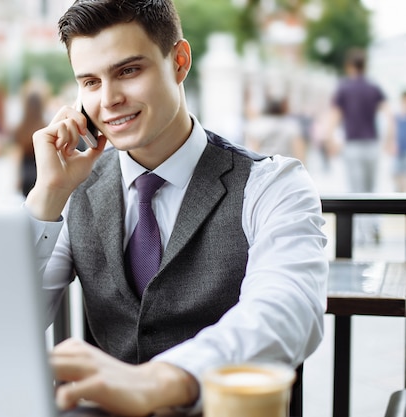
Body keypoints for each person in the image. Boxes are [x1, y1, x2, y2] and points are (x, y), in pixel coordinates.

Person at [24, 0, 328, 415]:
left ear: (180, 62)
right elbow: (4, 320)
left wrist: (159, 381)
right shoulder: (76, 190)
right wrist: (48, 196)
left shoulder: (272, 184)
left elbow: (287, 309)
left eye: (128, 71)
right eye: (90, 82)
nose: (109, 99)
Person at [327, 48, 394, 243]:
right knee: (372, 189)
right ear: (365, 65)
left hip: (353, 146)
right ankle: (373, 226)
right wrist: (389, 140)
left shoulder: (344, 88)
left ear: (349, 66)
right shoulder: (374, 88)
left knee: (356, 190)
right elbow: (388, 115)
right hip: (372, 145)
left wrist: (331, 140)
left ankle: (363, 233)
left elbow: (334, 116)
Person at [244, 96, 306, 164]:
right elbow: (298, 150)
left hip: (265, 167)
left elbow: (253, 150)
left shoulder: (258, 125)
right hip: (285, 166)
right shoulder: (291, 126)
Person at [12, 86, 48, 196]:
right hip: (40, 175)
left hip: (25, 174)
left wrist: (17, 177)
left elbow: (17, 155)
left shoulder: (20, 129)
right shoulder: (45, 127)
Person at [390, 91, 406, 192]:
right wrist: (391, 144)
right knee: (396, 174)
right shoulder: (397, 117)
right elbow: (392, 132)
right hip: (399, 151)